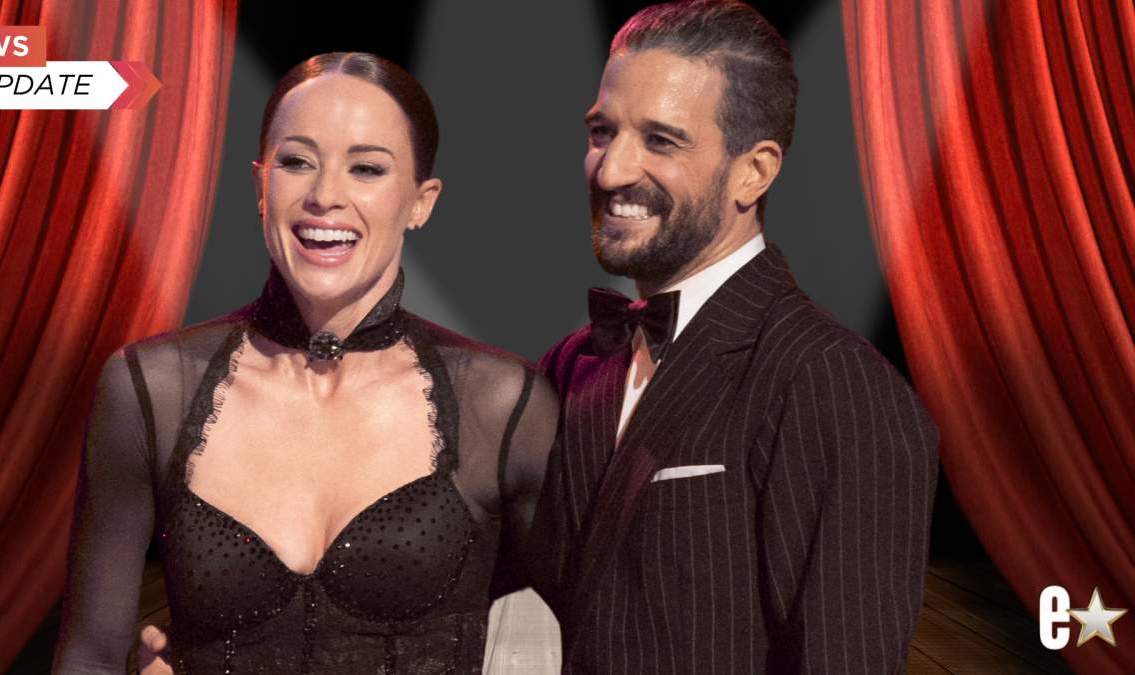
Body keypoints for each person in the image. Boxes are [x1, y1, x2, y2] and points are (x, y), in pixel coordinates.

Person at [52, 52, 559, 674]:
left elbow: (608, 634)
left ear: (421, 202)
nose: (324, 197)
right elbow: (89, 658)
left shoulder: (502, 402)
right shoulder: (150, 388)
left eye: (366, 168)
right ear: (259, 185)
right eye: (297, 162)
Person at [531, 1, 939, 672]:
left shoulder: (840, 387)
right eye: (603, 132)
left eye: (661, 140)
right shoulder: (575, 361)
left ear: (755, 171)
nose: (609, 171)